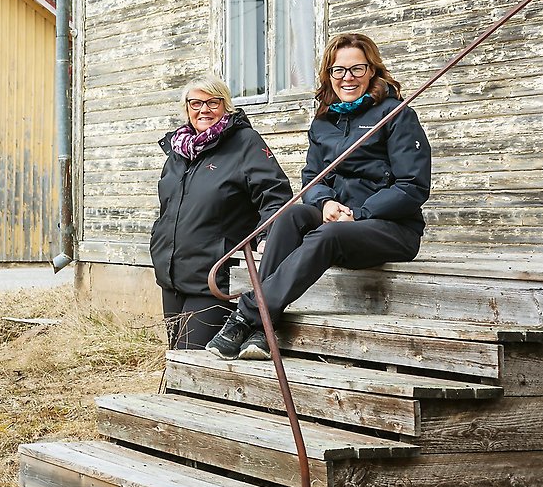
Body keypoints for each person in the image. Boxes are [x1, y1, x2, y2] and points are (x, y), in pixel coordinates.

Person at [206, 33, 432, 361]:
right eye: (338, 71)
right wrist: (325, 202)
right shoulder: (324, 121)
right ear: (329, 75)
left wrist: (361, 213)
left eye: (357, 69)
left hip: (390, 228)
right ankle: (261, 332)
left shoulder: (395, 115)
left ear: (372, 71)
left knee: (328, 234)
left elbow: (413, 186)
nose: (348, 78)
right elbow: (312, 178)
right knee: (289, 216)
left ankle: (246, 316)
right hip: (338, 219)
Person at [149, 75, 292, 350]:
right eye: (196, 103)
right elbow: (168, 208)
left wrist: (265, 237)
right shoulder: (178, 152)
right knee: (176, 360)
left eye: (212, 102)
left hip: (214, 278)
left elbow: (277, 195)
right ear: (186, 108)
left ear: (225, 106)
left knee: (193, 361)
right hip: (171, 276)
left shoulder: (244, 142)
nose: (204, 110)